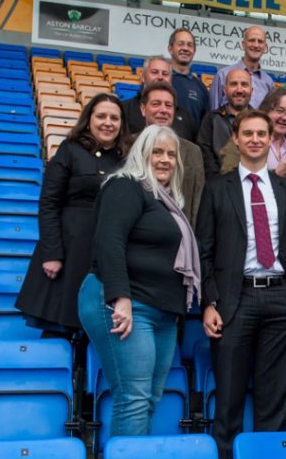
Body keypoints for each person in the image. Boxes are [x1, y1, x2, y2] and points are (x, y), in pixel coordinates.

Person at [197, 109, 286, 459]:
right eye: (247, 133)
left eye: (262, 133)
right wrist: (209, 302)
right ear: (236, 138)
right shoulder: (218, 187)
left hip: (282, 299)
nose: (255, 139)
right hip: (235, 300)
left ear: (271, 139)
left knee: (274, 397)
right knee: (229, 398)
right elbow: (204, 250)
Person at [77, 125, 200, 437]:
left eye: (171, 154)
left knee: (149, 398)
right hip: (125, 301)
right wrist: (121, 297)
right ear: (141, 154)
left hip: (161, 310)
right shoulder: (125, 186)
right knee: (133, 398)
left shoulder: (167, 200)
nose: (165, 159)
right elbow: (109, 242)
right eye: (157, 152)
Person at [16, 93, 130, 340]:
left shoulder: (126, 159)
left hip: (105, 252)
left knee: (98, 333)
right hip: (69, 252)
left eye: (114, 118)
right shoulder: (70, 149)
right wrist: (52, 253)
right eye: (101, 116)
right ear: (88, 119)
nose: (108, 122)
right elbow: (49, 202)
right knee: (60, 332)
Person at [137, 81, 205, 227]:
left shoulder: (193, 152)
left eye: (169, 105)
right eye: (156, 104)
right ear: (143, 109)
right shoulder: (128, 145)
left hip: (179, 236)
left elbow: (197, 202)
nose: (163, 110)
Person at [218, 88, 286, 179]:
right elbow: (229, 178)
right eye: (280, 110)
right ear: (266, 110)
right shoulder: (243, 141)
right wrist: (277, 174)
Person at [122, 56, 198, 142]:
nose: (160, 77)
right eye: (154, 72)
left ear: (171, 79)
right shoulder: (124, 109)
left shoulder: (185, 116)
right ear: (143, 77)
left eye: (165, 74)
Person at [197, 68, 252, 177]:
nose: (239, 90)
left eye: (244, 84)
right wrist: (220, 183)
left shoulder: (260, 121)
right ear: (224, 89)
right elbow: (205, 156)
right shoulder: (211, 119)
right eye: (234, 84)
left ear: (252, 90)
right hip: (218, 185)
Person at [210, 25, 274, 110]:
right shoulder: (223, 75)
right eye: (251, 40)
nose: (256, 45)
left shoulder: (268, 82)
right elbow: (213, 112)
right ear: (243, 45)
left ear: (265, 47)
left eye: (260, 41)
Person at [167, 28, 210, 125]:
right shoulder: (159, 80)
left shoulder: (201, 88)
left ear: (194, 51)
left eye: (190, 45)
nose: (185, 48)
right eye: (180, 44)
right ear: (170, 49)